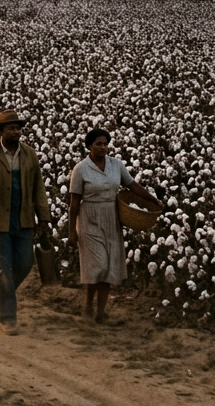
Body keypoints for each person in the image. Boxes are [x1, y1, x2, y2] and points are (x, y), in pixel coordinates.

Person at [67, 128, 161, 324]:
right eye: (98, 144)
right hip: (89, 219)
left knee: (109, 267)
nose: (103, 147)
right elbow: (74, 203)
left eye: (105, 144)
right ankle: (87, 306)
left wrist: (153, 200)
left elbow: (132, 186)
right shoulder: (81, 169)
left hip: (111, 217)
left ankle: (101, 312)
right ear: (89, 146)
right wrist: (71, 232)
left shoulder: (116, 165)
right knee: (97, 265)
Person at [0, 109, 50, 335]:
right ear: (1, 131)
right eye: (12, 128)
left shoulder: (29, 154)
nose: (16, 132)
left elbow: (38, 188)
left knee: (25, 263)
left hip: (23, 218)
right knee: (3, 270)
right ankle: (8, 317)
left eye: (18, 128)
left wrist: (44, 217)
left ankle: (2, 292)